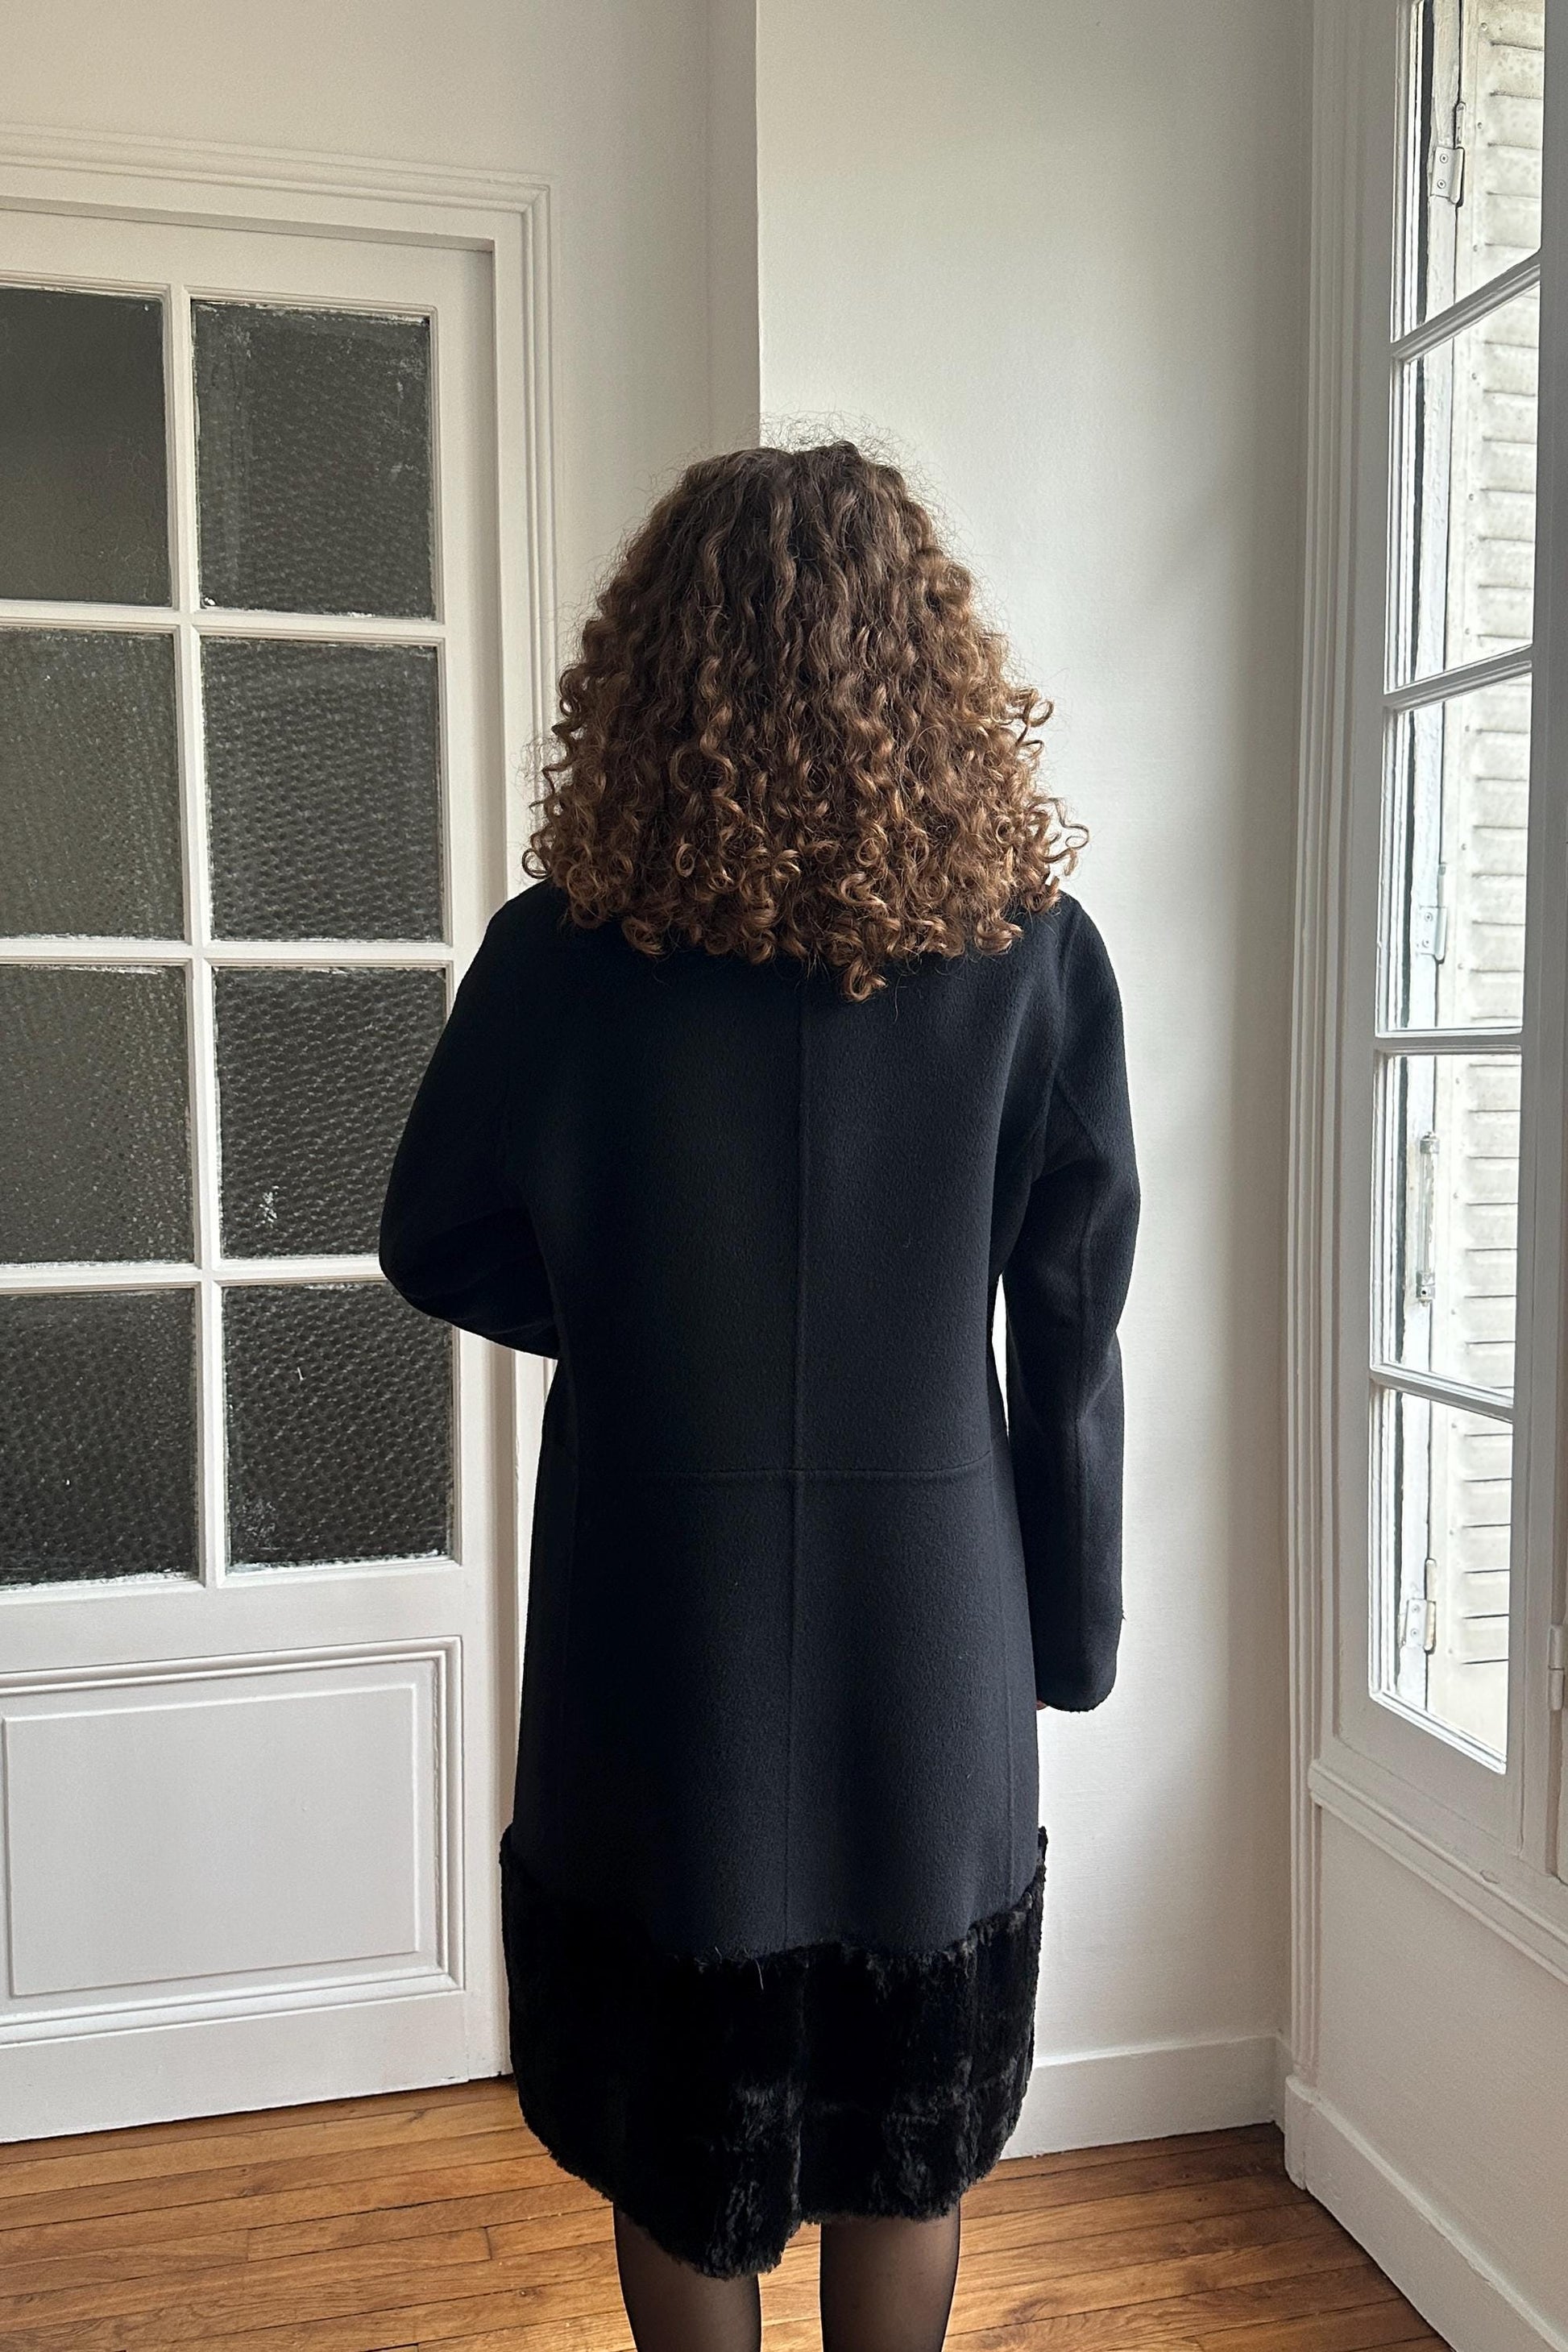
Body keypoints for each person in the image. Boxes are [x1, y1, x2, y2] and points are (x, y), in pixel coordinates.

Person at [378, 439, 1139, 2352]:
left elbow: (432, 1235)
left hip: (660, 1603)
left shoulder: (560, 960)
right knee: (916, 2133)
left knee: (671, 2121)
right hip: (933, 1613)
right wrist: (1073, 1628)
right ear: (926, 667)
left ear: (651, 674)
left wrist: (635, 1311)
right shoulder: (1029, 959)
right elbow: (1065, 1311)